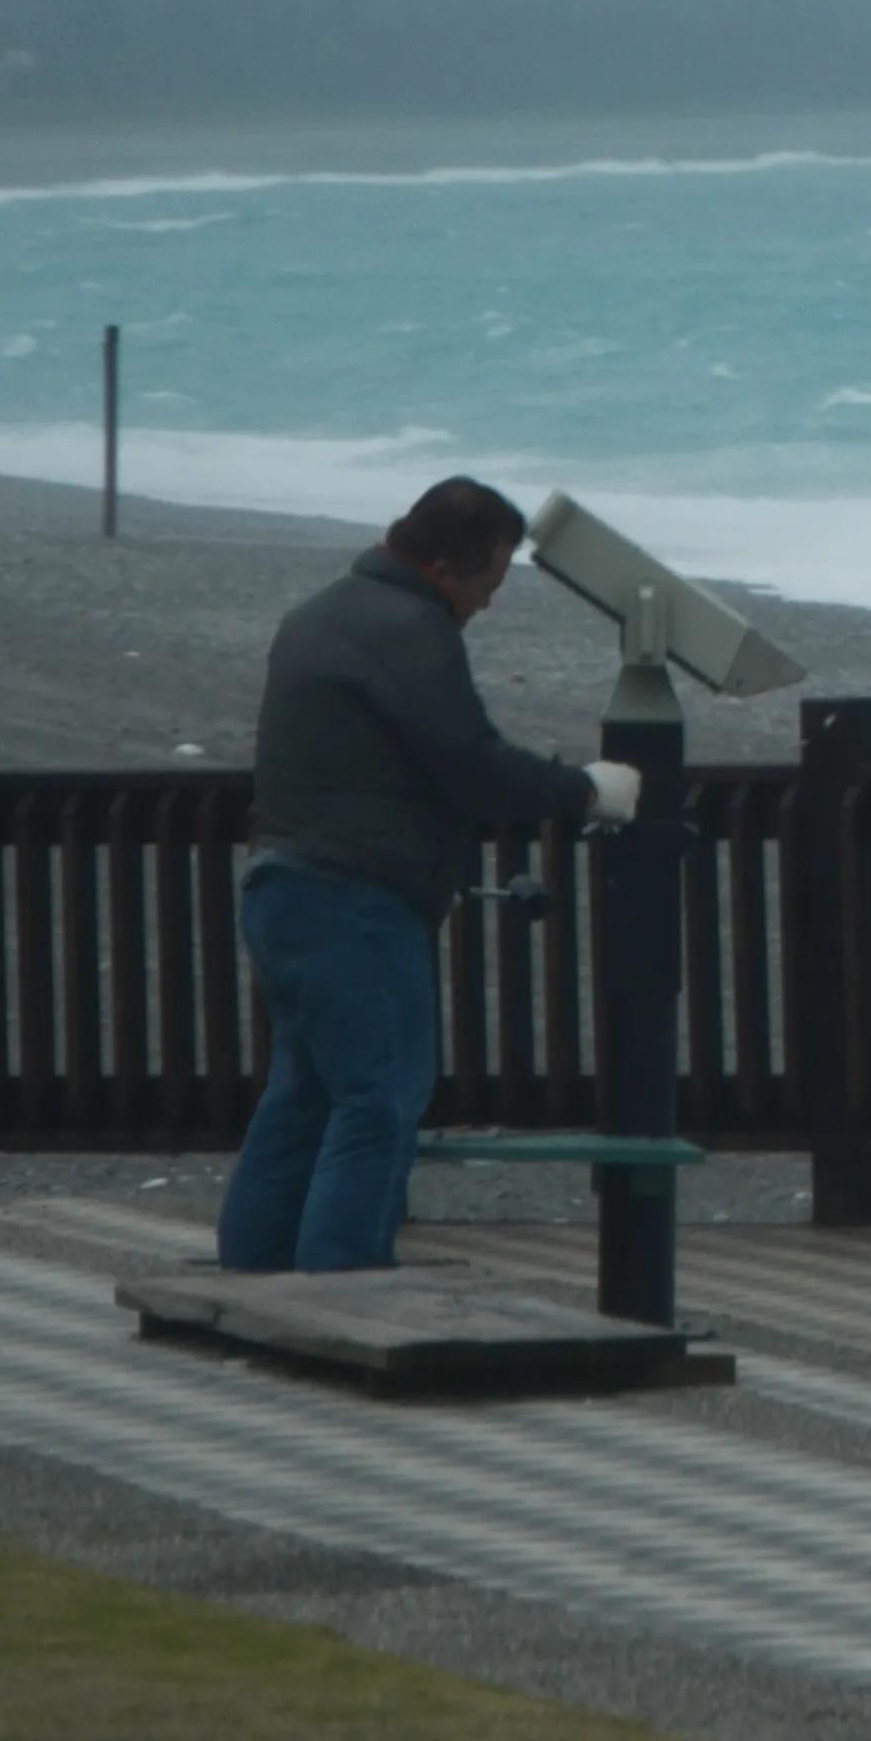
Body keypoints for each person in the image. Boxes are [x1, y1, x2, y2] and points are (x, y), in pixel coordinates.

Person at [215, 476, 637, 1274]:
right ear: (445, 569)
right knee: (378, 1102)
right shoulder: (410, 630)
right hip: (357, 902)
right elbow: (470, 764)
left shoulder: (317, 615)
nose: (487, 603)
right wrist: (585, 792)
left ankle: (253, 1275)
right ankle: (343, 1293)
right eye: (488, 583)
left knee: (300, 1100)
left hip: (280, 889)